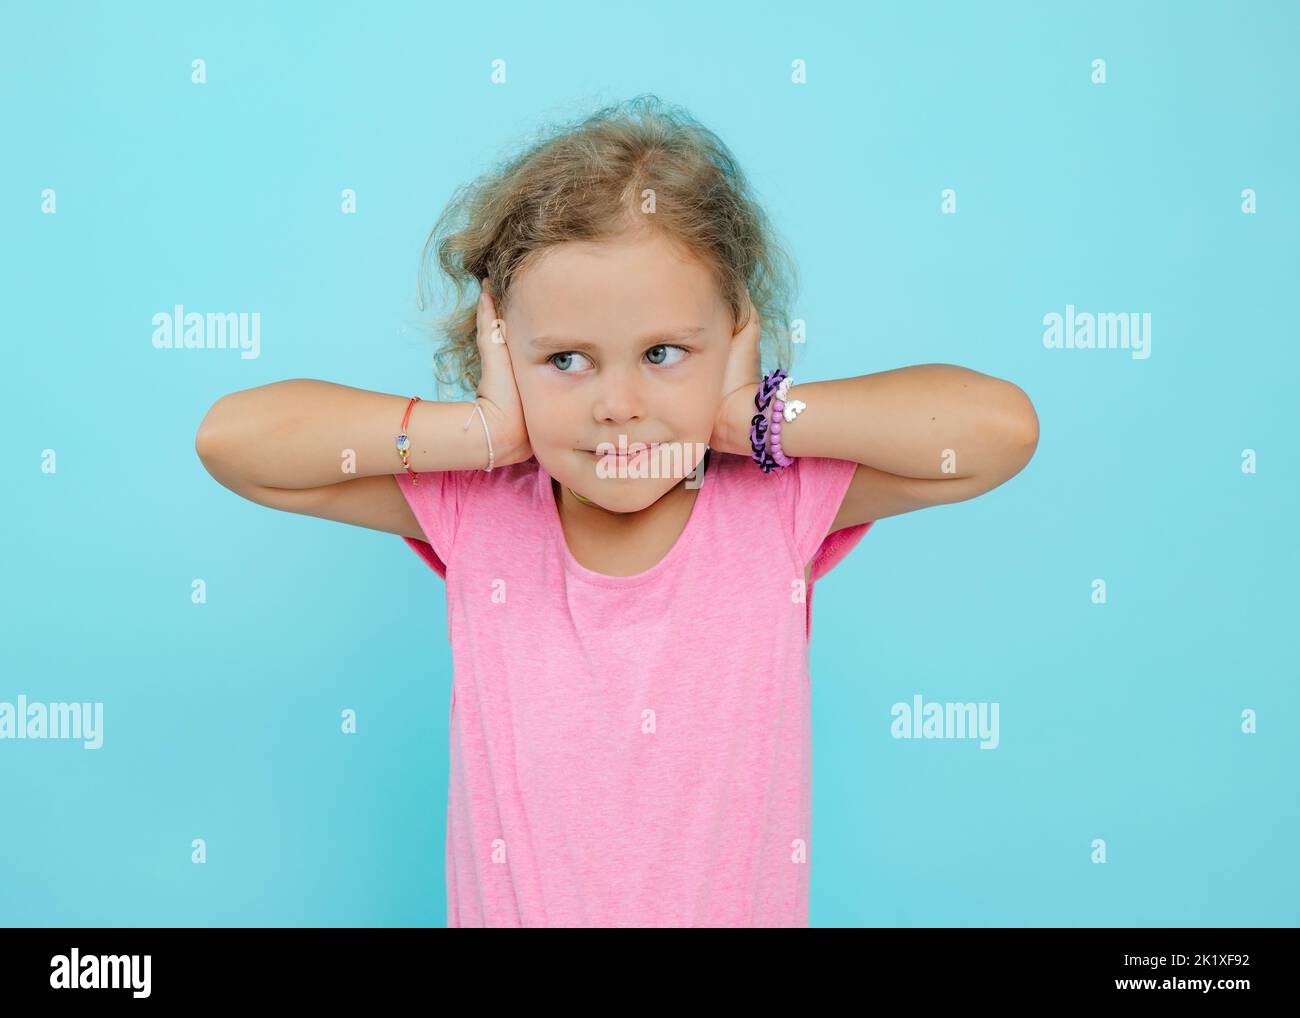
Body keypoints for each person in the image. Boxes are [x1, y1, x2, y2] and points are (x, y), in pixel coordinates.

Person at [194, 95, 1039, 927]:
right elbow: (234, 442)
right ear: (500, 350)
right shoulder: (479, 507)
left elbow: (998, 431)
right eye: (566, 359)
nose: (619, 403)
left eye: (664, 354)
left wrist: (747, 415)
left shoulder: (776, 502)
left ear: (737, 332)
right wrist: (480, 431)